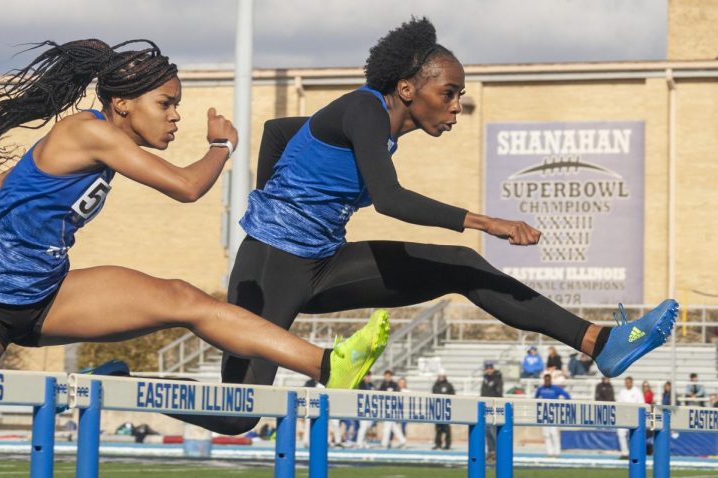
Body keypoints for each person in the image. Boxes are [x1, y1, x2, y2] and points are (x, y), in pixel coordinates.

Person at [0, 39, 389, 473]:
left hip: (50, 294)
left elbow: (3, 184)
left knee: (182, 298)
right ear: (122, 104)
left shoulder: (92, 141)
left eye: (177, 106)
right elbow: (188, 188)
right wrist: (221, 146)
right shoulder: (89, 135)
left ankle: (325, 365)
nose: (175, 116)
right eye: (166, 104)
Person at [179, 15, 678, 437]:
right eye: (450, 93)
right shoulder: (363, 109)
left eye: (459, 95)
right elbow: (391, 198)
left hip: (325, 261)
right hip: (272, 262)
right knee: (236, 414)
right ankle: (112, 380)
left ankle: (599, 342)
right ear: (407, 88)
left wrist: (277, 193)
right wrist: (487, 222)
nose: (457, 105)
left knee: (461, 267)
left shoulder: (376, 126)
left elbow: (280, 130)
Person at [535, 373, 570, 457]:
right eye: (545, 380)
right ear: (544, 380)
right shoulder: (540, 389)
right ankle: (549, 453)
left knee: (554, 433)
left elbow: (567, 396)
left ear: (550, 380)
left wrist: (562, 406)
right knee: (546, 434)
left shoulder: (555, 389)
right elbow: (535, 398)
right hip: (544, 413)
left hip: (554, 413)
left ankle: (557, 452)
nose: (547, 381)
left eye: (548, 380)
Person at [616, 376, 645, 459]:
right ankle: (625, 453)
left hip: (634, 416)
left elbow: (642, 403)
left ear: (632, 382)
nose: (627, 384)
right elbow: (619, 403)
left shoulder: (637, 392)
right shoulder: (622, 391)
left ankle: (635, 453)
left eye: (628, 382)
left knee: (635, 435)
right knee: (621, 433)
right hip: (624, 416)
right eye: (626, 382)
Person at [378, 370, 407, 449]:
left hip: (392, 408)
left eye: (389, 376)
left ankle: (384, 443)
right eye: (386, 375)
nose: (387, 377)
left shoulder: (394, 385)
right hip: (385, 408)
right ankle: (402, 441)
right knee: (393, 426)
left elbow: (397, 396)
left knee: (387, 426)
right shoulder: (382, 385)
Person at [481, 360, 503, 461]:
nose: (489, 370)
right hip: (486, 404)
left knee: (492, 429)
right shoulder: (485, 378)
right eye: (487, 368)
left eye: (490, 368)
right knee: (487, 430)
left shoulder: (497, 377)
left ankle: (498, 452)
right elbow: (484, 392)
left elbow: (498, 392)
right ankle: (491, 451)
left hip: (494, 404)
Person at [432, 373, 455, 450]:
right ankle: (438, 443)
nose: (441, 377)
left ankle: (447, 444)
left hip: (446, 410)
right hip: (438, 409)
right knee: (438, 428)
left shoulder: (448, 385)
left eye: (442, 376)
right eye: (439, 376)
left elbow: (453, 396)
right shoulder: (435, 385)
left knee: (446, 428)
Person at [355, 372, 377, 447]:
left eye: (369, 376)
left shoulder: (371, 385)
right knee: (363, 426)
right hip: (362, 408)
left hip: (369, 409)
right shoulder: (361, 384)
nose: (368, 378)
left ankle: (363, 441)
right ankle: (359, 442)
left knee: (367, 426)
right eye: (367, 376)